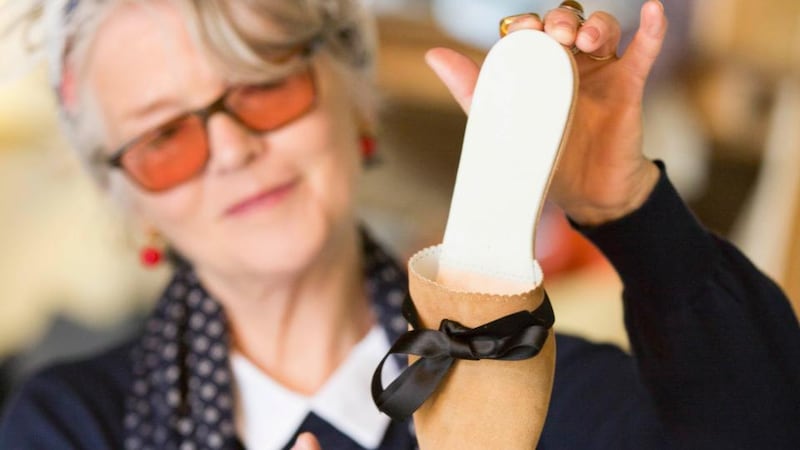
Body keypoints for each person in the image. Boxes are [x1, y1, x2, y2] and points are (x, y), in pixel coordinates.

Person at [0, 0, 798, 449]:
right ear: (131, 200)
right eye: (164, 138)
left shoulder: (562, 396)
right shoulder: (71, 427)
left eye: (264, 88)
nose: (234, 149)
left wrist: (624, 207)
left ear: (354, 101)